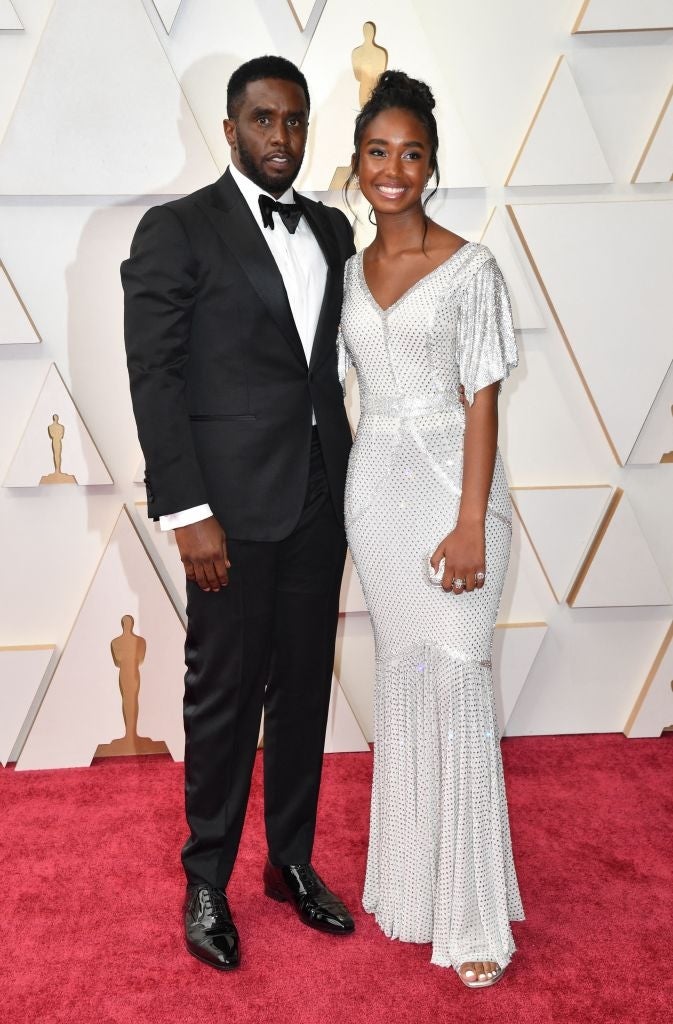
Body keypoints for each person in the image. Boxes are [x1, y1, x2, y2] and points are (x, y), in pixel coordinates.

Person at [121, 55, 356, 971]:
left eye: (294, 121)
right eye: (263, 120)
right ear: (229, 129)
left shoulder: (332, 228)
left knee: (302, 687)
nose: (280, 138)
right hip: (225, 509)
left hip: (320, 495)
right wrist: (187, 509)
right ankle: (206, 879)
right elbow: (155, 375)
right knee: (221, 696)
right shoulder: (177, 229)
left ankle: (289, 861)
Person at [339, 71, 524, 988]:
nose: (394, 169)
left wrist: (470, 523)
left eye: (411, 154)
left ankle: (474, 916)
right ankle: (414, 886)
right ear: (355, 163)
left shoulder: (470, 268)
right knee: (407, 682)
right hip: (375, 496)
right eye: (378, 152)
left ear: (431, 165)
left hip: (457, 491)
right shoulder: (347, 272)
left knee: (455, 677)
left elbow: (481, 401)